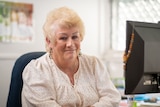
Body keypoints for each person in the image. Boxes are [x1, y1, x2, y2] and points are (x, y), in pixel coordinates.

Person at [21, 6, 121, 107]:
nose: (70, 43)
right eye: (63, 38)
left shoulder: (94, 64)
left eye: (74, 37)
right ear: (49, 41)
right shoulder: (36, 70)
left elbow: (112, 98)